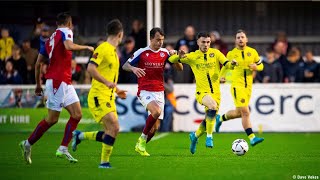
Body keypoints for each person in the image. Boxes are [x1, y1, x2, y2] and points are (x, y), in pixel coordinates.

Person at [19, 12, 94, 164]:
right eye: (71, 24)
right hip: (57, 81)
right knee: (52, 119)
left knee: (77, 114)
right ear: (69, 23)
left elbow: (38, 63)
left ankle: (63, 148)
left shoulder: (49, 40)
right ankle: (27, 144)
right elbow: (68, 46)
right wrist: (86, 46)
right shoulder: (66, 32)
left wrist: (38, 84)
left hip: (64, 82)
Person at [71, 19, 127, 169]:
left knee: (112, 130)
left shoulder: (114, 52)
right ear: (120, 34)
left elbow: (109, 77)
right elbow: (90, 68)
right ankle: (104, 163)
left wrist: (116, 90)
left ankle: (80, 136)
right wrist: (107, 83)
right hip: (98, 95)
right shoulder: (102, 48)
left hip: (109, 96)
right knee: (114, 127)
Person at [169, 32, 236, 154]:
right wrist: (178, 55)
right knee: (212, 107)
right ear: (198, 42)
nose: (206, 44)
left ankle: (194, 136)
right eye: (203, 42)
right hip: (202, 93)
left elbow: (227, 64)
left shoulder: (215, 53)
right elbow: (171, 59)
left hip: (216, 93)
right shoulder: (193, 56)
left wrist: (232, 64)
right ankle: (209, 137)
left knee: (208, 120)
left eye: (208, 42)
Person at [122, 27, 182, 156]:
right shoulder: (142, 52)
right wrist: (133, 68)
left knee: (155, 129)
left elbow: (179, 69)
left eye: (162, 40)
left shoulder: (165, 53)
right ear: (150, 38)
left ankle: (140, 146)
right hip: (145, 90)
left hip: (159, 92)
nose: (160, 42)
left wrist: (176, 58)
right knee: (156, 111)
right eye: (157, 40)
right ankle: (142, 139)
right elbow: (125, 65)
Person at [217, 29, 264, 146]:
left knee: (239, 113)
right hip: (237, 86)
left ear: (246, 39)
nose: (240, 39)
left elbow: (261, 66)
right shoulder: (231, 53)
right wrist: (221, 76)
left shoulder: (253, 52)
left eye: (242, 37)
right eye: (238, 37)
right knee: (246, 112)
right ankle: (252, 137)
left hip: (248, 87)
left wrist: (256, 67)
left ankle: (220, 119)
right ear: (235, 40)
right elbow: (225, 66)